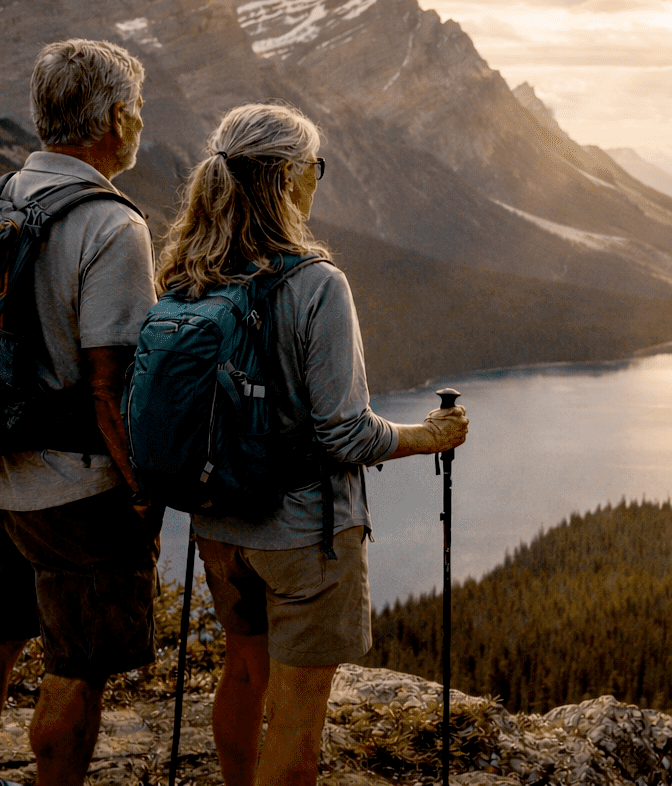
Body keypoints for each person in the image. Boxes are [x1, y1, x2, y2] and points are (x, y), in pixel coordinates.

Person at [155, 100, 468, 786]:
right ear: (292, 177)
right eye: (315, 168)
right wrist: (430, 435)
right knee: (298, 710)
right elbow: (345, 431)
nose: (317, 180)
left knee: (241, 673)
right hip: (303, 534)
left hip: (217, 524)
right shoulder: (314, 282)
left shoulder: (186, 273)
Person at [0, 39, 162, 786]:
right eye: (134, 108)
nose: (138, 121)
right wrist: (143, 486)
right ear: (113, 118)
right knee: (79, 662)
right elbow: (111, 383)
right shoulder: (111, 225)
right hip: (73, 490)